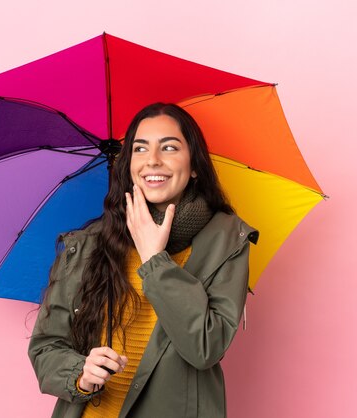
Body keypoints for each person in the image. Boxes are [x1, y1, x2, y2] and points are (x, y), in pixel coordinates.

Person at [28, 103, 258, 418]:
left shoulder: (227, 243)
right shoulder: (88, 245)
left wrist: (155, 259)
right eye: (140, 148)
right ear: (129, 164)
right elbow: (46, 347)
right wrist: (81, 373)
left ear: (194, 165)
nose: (153, 160)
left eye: (169, 147)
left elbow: (206, 347)